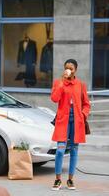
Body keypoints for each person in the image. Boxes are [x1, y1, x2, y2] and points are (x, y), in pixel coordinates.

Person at [51, 59, 91, 191]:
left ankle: (70, 179)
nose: (68, 70)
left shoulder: (81, 85)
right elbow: (54, 98)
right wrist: (62, 83)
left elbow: (86, 104)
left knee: (74, 150)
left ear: (76, 70)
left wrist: (83, 115)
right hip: (63, 121)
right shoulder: (59, 82)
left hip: (77, 122)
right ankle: (57, 180)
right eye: (66, 68)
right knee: (60, 151)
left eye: (71, 68)